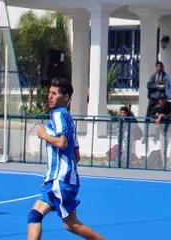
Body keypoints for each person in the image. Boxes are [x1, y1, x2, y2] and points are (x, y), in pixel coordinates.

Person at [27, 78, 104, 240]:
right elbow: (76, 155)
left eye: (54, 94)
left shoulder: (58, 115)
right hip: (61, 179)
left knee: (70, 224)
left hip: (59, 180)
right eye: (49, 93)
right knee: (37, 216)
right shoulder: (67, 118)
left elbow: (62, 143)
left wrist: (43, 135)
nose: (49, 96)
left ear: (66, 97)